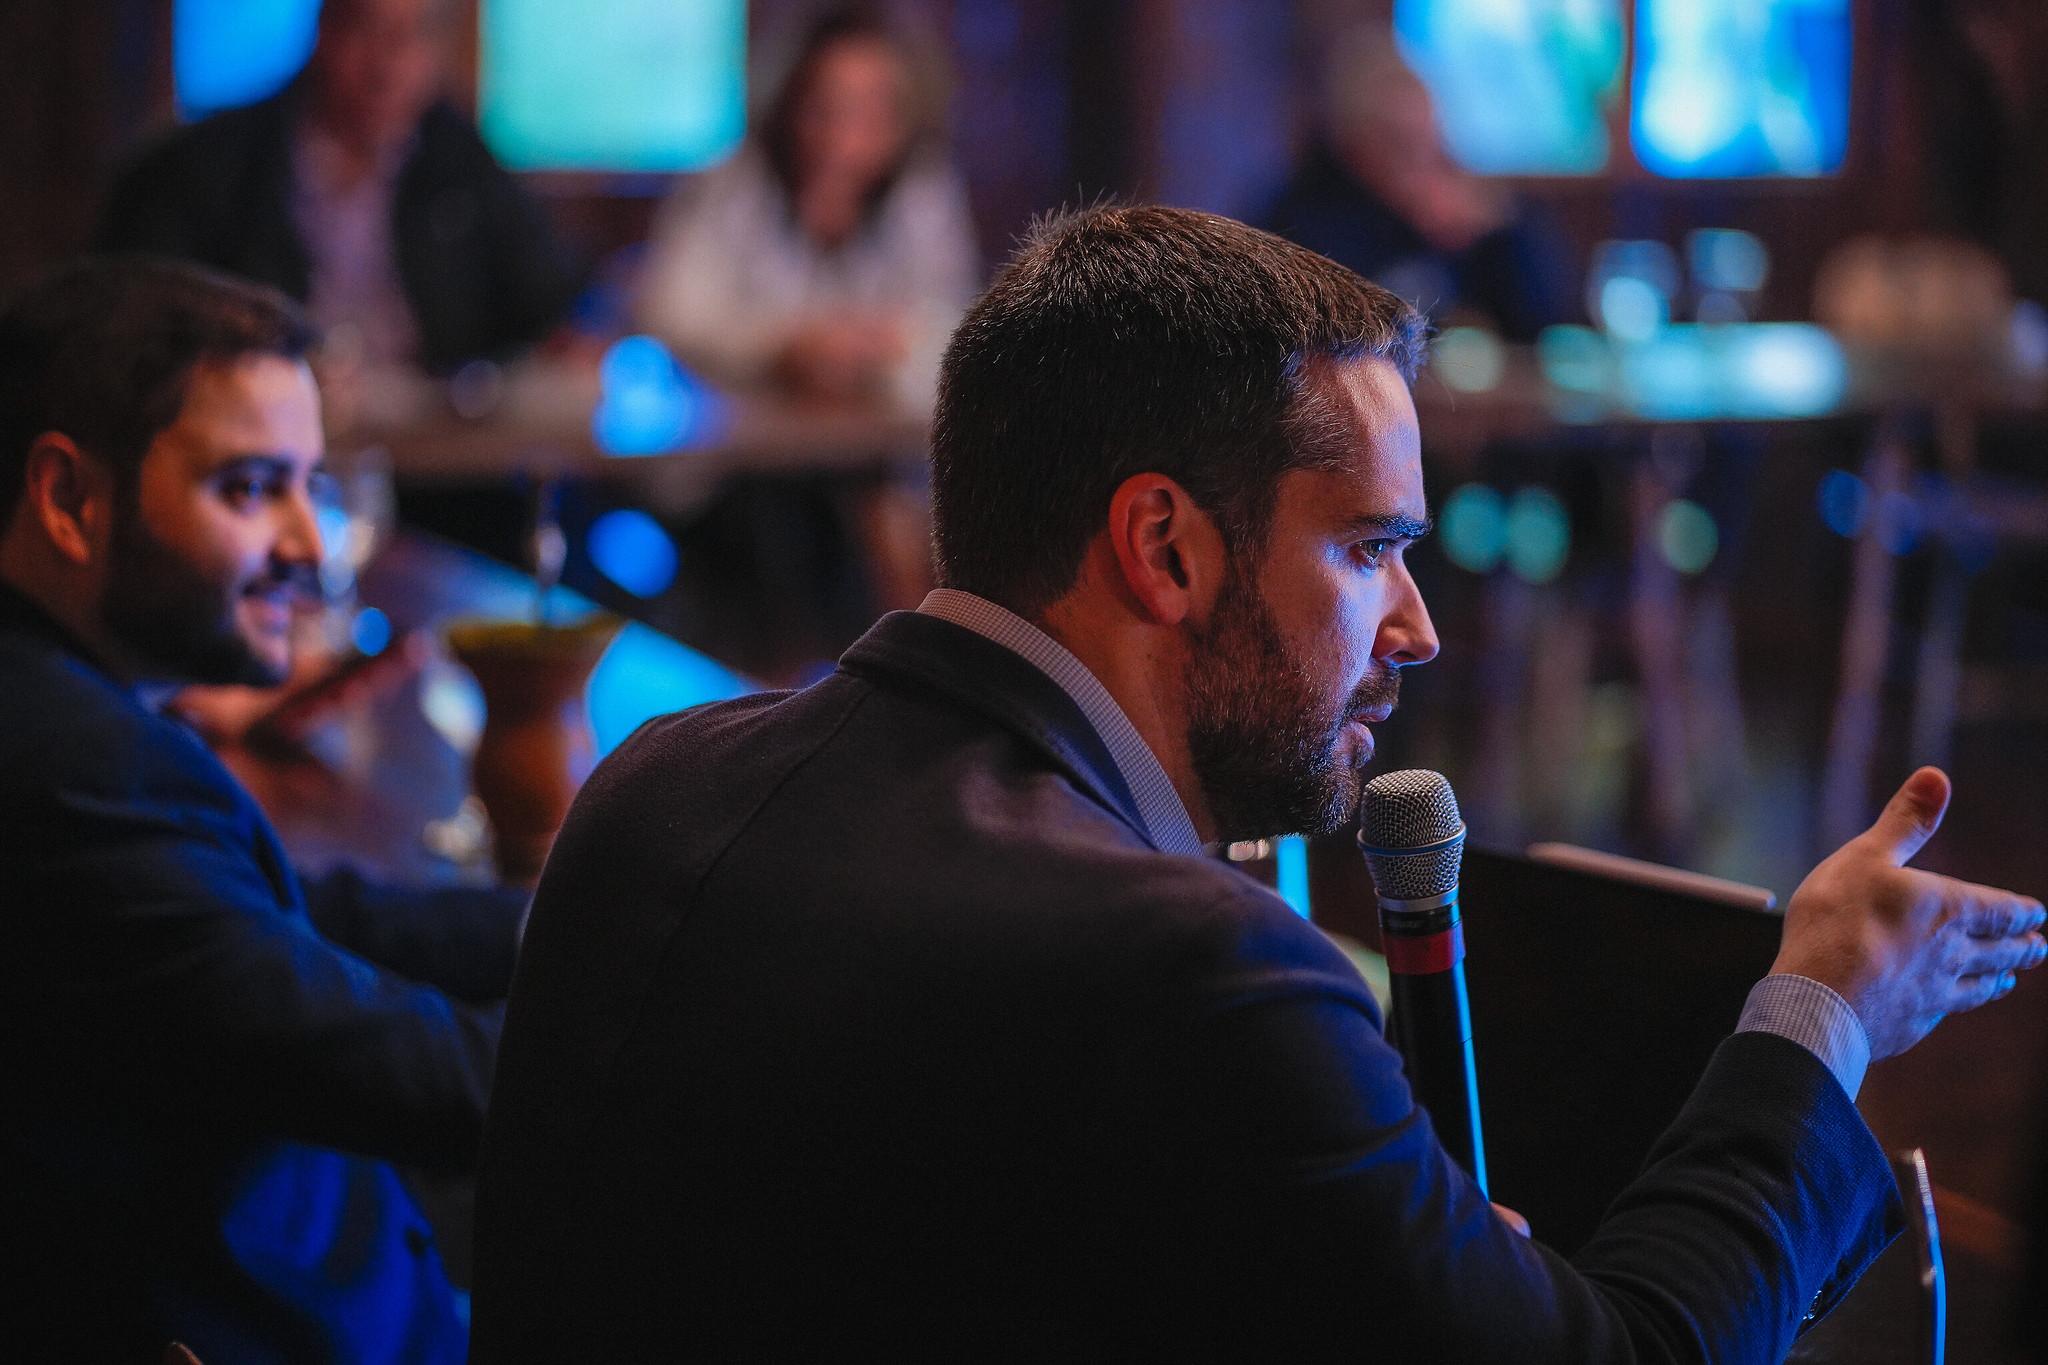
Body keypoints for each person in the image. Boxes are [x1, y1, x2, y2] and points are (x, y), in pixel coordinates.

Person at [470, 206, 2046, 1360]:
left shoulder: (658, 786)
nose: (1419, 627)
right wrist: (1819, 1011)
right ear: (1164, 546)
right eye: (1371, 551)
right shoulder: (1193, 970)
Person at [0, 258, 526, 1363]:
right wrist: (695, 1032)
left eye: (309, 485)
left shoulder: (75, 714)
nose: (308, 545)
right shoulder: (68, 760)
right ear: (67, 499)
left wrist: (572, 917)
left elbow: (297, 923)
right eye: (247, 488)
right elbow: (375, 1062)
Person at [96, 0, 581, 377]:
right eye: (367, 30)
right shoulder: (211, 165)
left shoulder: (460, 159)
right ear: (323, 30)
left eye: (414, 36)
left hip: (440, 472)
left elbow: (552, 306)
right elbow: (143, 323)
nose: (385, 66)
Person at [634, 5, 979, 413]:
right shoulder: (734, 185)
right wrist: (782, 346)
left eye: (872, 111)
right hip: (735, 444)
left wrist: (883, 343)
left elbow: (956, 318)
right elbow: (669, 312)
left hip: (878, 445)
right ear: (792, 101)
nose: (845, 137)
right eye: (827, 107)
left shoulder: (921, 190)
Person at [1261, 33, 1574, 342]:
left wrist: (1498, 231)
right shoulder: (1305, 218)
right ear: (1354, 143)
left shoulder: (1468, 213)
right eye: (1400, 143)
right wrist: (1410, 224)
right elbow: (1332, 330)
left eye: (1427, 141)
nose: (1419, 162)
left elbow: (1542, 327)